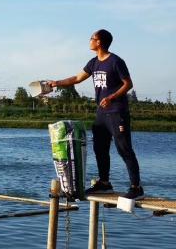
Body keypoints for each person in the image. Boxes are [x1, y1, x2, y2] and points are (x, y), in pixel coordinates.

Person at [49, 29, 144, 200]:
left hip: (117, 112)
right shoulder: (93, 63)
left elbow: (128, 84)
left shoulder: (115, 61)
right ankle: (105, 183)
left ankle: (136, 188)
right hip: (101, 113)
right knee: (100, 148)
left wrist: (112, 97)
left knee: (124, 149)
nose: (90, 41)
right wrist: (56, 83)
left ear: (99, 42)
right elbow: (77, 78)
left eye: (92, 38)